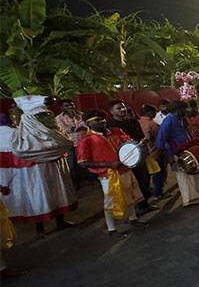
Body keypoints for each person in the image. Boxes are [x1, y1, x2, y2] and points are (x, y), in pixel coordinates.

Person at [0, 104, 76, 238]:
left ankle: (54, 224)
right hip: (35, 173)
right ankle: (43, 227)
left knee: (50, 195)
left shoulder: (42, 132)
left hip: (44, 171)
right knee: (44, 196)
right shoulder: (19, 135)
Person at [76, 109, 148, 240]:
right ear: (88, 123)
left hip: (125, 169)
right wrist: (109, 165)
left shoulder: (116, 131)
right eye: (97, 120)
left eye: (103, 118)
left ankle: (133, 219)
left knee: (130, 195)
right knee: (111, 201)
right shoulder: (86, 141)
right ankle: (111, 229)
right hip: (108, 175)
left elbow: (129, 144)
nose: (102, 121)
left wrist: (139, 146)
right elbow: (83, 163)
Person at [155, 100, 199, 207]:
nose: (186, 111)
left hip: (189, 150)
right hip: (177, 152)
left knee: (197, 172)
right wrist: (170, 157)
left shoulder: (181, 119)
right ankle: (190, 198)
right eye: (183, 109)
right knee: (185, 177)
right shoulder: (168, 121)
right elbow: (160, 142)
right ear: (177, 110)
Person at [105, 100, 157, 213]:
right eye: (118, 108)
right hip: (123, 159)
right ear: (111, 111)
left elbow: (141, 136)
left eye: (123, 107)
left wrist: (144, 145)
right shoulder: (110, 125)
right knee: (129, 184)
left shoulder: (133, 121)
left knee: (144, 181)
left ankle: (144, 205)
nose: (123, 110)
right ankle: (132, 209)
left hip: (139, 155)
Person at [55, 99, 87, 184]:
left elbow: (87, 125)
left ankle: (92, 180)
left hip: (84, 142)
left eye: (72, 105)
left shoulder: (81, 115)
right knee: (71, 164)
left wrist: (76, 117)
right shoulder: (59, 118)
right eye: (67, 106)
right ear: (62, 107)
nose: (70, 107)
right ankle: (75, 183)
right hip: (71, 144)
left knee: (87, 161)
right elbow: (65, 129)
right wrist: (78, 127)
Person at [138, 104, 166, 201]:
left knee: (148, 174)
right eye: (154, 112)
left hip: (146, 153)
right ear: (149, 112)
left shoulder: (140, 122)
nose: (156, 113)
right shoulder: (151, 124)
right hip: (155, 152)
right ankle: (158, 193)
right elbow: (153, 138)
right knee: (158, 173)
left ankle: (149, 193)